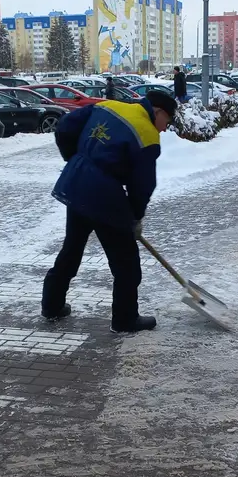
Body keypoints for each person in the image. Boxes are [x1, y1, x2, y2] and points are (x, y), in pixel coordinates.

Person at [42, 92, 178, 333]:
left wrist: (76, 159)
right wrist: (135, 217)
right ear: (157, 111)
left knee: (71, 250)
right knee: (126, 263)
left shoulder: (108, 106)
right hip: (104, 196)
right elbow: (142, 186)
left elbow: (65, 126)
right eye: (166, 121)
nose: (165, 128)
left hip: (76, 184)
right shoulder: (147, 134)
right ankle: (125, 320)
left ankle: (52, 305)